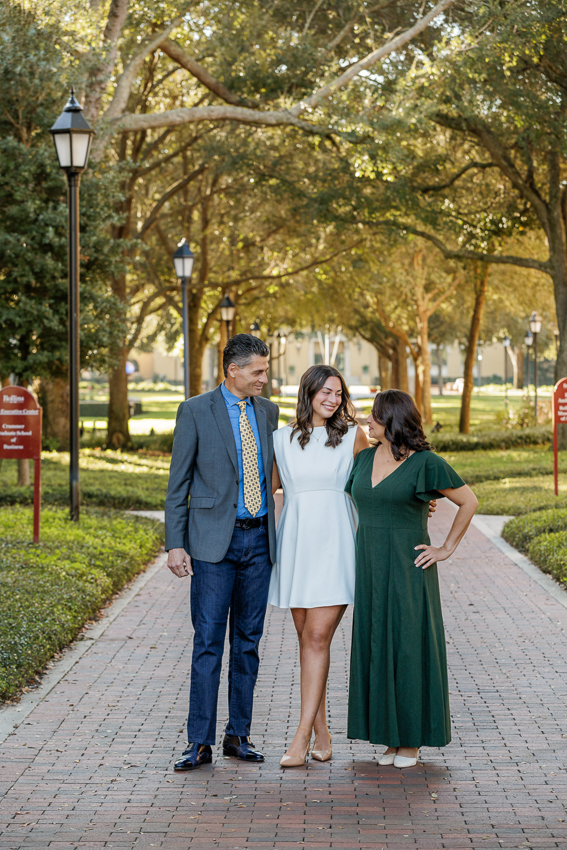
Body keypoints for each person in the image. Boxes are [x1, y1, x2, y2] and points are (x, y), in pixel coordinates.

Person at [345, 389, 478, 769]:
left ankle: (412, 742)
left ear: (393, 420)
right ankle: (389, 738)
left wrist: (445, 548)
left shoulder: (426, 464)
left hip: (408, 569)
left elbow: (469, 501)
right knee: (377, 645)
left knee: (407, 647)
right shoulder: (363, 457)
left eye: (374, 416)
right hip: (369, 567)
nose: (367, 422)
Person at [165, 334, 279, 770]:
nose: (264, 379)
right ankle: (199, 742)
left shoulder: (268, 412)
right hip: (213, 544)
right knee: (209, 643)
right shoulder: (195, 411)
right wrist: (176, 543)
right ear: (233, 370)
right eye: (258, 371)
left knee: (248, 643)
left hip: (258, 542)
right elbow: (178, 485)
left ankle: (238, 735)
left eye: (265, 370)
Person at [268, 365, 369, 767]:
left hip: (337, 545)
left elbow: (378, 480)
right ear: (308, 392)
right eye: (326, 392)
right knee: (309, 643)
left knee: (316, 638)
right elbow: (264, 490)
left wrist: (421, 498)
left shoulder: (353, 438)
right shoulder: (280, 439)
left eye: (339, 394)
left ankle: (300, 737)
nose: (333, 399)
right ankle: (322, 732)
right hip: (296, 547)